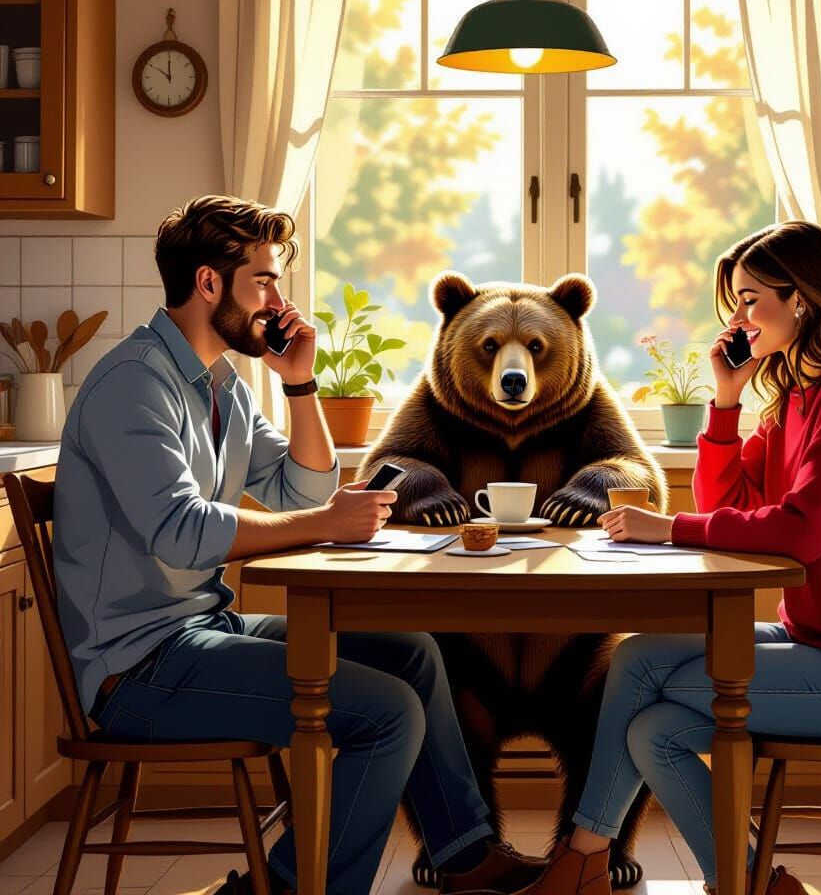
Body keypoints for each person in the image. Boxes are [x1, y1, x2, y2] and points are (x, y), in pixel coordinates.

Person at [52, 195, 545, 895]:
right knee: (385, 712)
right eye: (264, 280)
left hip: (202, 629)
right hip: (134, 669)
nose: (278, 301)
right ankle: (279, 888)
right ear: (208, 284)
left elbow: (303, 490)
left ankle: (462, 853)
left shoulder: (220, 383)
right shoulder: (135, 386)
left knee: (411, 651)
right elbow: (184, 532)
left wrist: (299, 382)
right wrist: (328, 525)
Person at [517, 221, 821, 895]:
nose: (737, 319)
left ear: (801, 299)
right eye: (735, 302)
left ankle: (581, 861)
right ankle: (746, 882)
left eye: (749, 299)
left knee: (644, 691)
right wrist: (727, 399)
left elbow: (801, 532)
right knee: (641, 684)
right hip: (817, 641)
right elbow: (731, 499)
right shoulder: (797, 394)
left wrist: (670, 529)